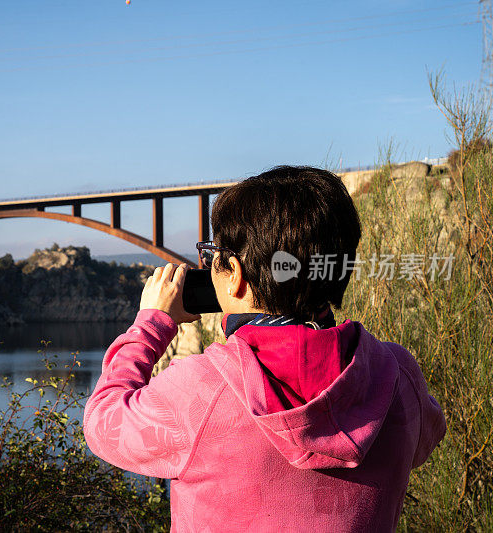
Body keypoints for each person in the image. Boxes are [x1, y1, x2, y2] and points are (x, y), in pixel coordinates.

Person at [82, 166, 446, 532]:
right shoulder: (397, 374)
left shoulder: (199, 391)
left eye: (212, 256)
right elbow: (426, 439)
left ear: (236, 274)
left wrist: (151, 323)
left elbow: (102, 423)